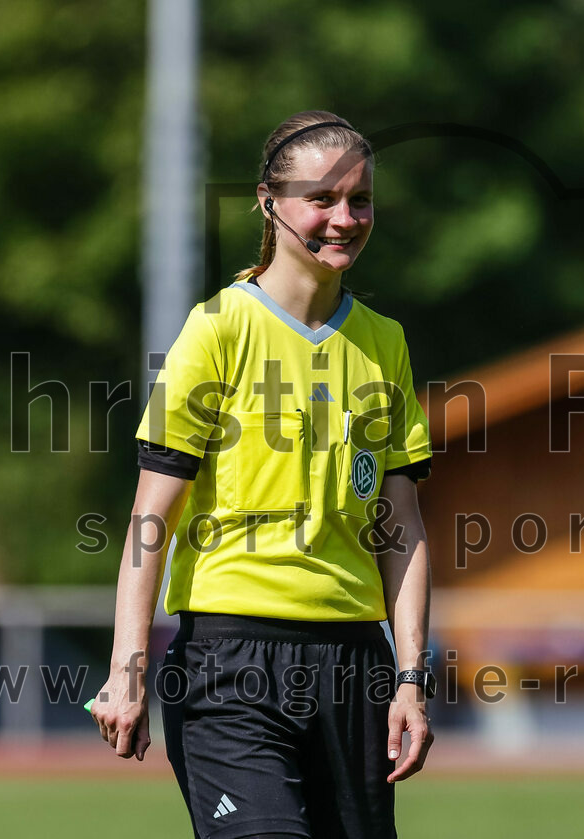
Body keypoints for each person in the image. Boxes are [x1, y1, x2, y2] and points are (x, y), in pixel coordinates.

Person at [91, 110, 435, 839]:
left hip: (354, 666)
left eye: (360, 200)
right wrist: (128, 668)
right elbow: (151, 519)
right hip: (229, 662)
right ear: (268, 202)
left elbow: (401, 529)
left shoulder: (385, 343)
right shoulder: (218, 328)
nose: (344, 219)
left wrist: (410, 679)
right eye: (322, 199)